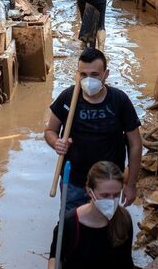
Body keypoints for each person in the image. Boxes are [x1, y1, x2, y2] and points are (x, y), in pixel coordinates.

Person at [43, 162, 138, 269]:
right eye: (105, 195)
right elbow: (55, 257)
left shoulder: (123, 221)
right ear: (90, 192)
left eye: (116, 195)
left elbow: (125, 265)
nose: (111, 201)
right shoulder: (70, 222)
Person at [46, 48, 143, 212]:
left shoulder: (119, 101)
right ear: (77, 74)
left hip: (108, 186)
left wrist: (131, 184)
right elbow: (50, 131)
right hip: (74, 181)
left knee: (104, 227)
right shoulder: (68, 98)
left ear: (106, 74)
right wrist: (57, 143)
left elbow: (135, 144)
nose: (88, 80)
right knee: (72, 227)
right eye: (83, 75)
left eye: (95, 75)